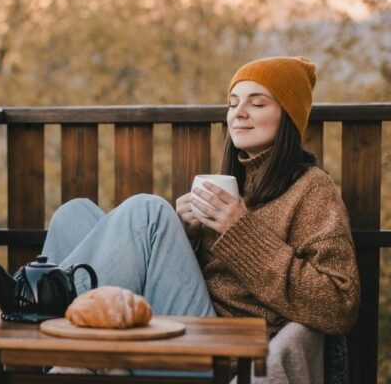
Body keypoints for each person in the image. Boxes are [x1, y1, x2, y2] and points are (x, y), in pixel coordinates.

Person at [41, 56, 360, 379]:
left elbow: (339, 305)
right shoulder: (236, 183)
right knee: (73, 213)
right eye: (233, 103)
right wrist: (187, 234)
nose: (240, 113)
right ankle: (46, 310)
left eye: (258, 103)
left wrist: (240, 232)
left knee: (149, 212)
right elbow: (207, 276)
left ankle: (40, 306)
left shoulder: (312, 189)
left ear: (288, 116)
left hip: (221, 347)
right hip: (185, 320)